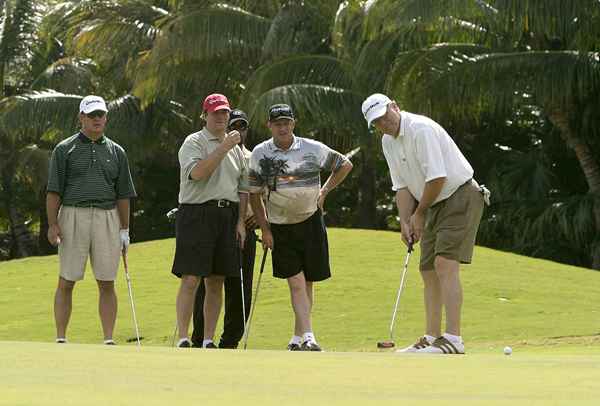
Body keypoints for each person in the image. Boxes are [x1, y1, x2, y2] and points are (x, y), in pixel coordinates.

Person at [361, 93, 489, 355]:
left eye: (386, 116)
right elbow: (402, 186)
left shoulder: (421, 129)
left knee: (444, 264)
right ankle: (431, 337)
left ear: (395, 106)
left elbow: (437, 178)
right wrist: (405, 222)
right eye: (377, 122)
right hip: (432, 202)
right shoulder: (388, 141)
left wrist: (419, 215)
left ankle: (453, 339)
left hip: (459, 195)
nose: (384, 124)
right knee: (428, 269)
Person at [248, 103, 353, 351]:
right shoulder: (260, 153)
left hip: (310, 220)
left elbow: (344, 164)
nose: (282, 127)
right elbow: (254, 194)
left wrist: (325, 190)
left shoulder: (312, 148)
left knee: (307, 283)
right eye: (277, 123)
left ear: (293, 123)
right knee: (296, 282)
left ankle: (297, 337)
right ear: (269, 126)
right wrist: (265, 229)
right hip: (280, 225)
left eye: (286, 122)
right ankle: (309, 336)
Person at [47, 95, 136, 345]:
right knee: (67, 279)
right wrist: (53, 224)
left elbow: (123, 194)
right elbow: (54, 191)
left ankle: (108, 338)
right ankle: (61, 337)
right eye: (92, 115)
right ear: (81, 118)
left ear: (106, 117)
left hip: (107, 217)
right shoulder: (65, 149)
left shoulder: (117, 151)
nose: (97, 119)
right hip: (73, 214)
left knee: (107, 280)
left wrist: (125, 230)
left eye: (101, 114)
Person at [171, 94, 248, 348]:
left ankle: (207, 339)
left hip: (226, 216)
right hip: (196, 213)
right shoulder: (194, 142)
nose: (221, 117)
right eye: (216, 113)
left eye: (225, 113)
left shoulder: (237, 149)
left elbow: (243, 188)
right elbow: (198, 173)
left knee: (216, 281)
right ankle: (183, 336)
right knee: (191, 278)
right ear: (205, 115)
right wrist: (224, 146)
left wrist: (240, 222)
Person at [191, 109, 258, 348]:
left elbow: (262, 193)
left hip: (245, 227)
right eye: (234, 126)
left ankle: (230, 341)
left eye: (243, 126)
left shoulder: (253, 156)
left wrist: (260, 218)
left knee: (240, 287)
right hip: (217, 222)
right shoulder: (215, 150)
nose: (238, 130)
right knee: (208, 282)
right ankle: (200, 337)